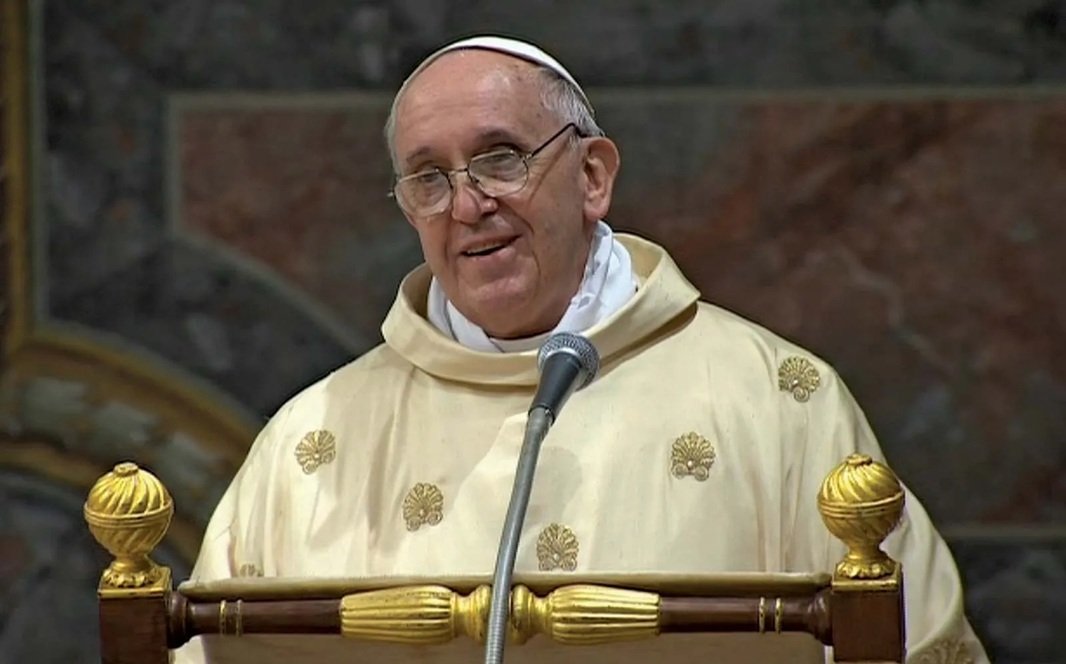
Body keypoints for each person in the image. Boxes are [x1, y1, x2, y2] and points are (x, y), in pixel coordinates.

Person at [175, 36, 988, 663]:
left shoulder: (777, 400)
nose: (468, 206)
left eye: (500, 160)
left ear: (593, 175)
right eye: (429, 179)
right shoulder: (308, 446)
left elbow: (910, 639)